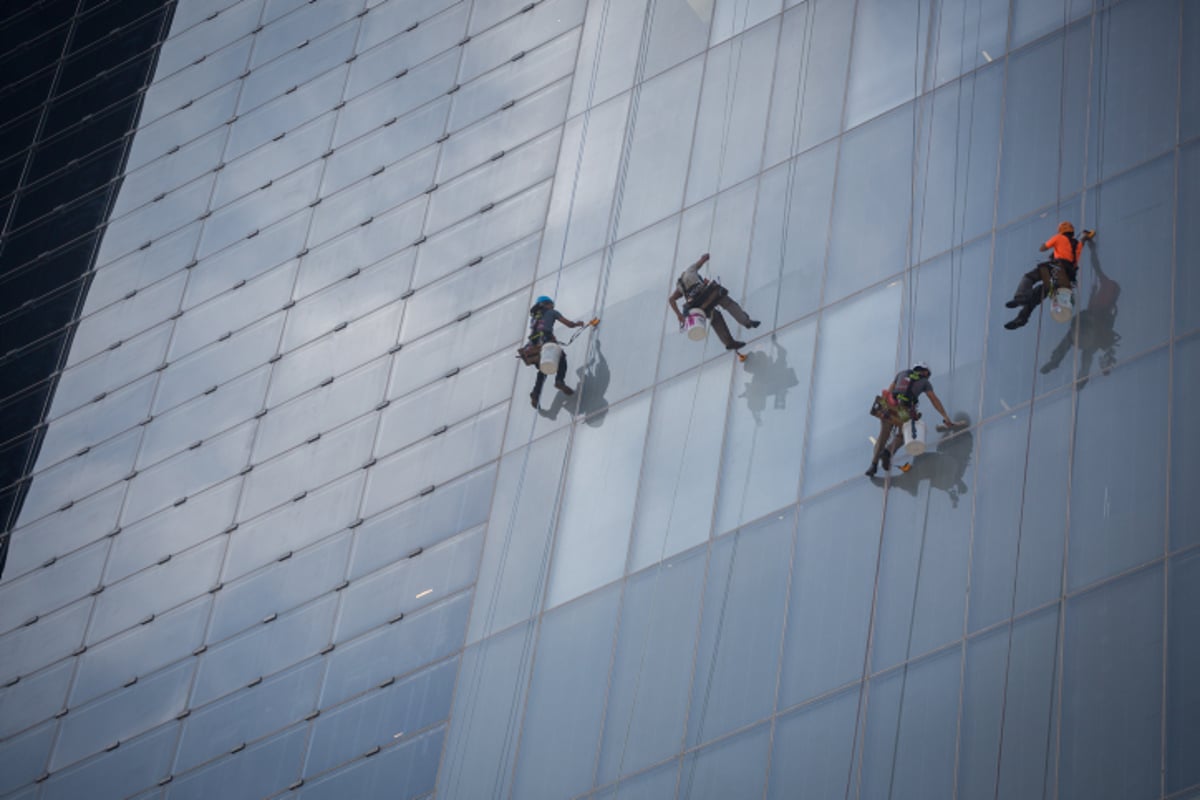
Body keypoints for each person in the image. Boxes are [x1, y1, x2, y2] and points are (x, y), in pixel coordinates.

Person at [865, 361, 956, 478]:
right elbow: (934, 400)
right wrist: (945, 416)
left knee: (883, 436)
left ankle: (873, 465)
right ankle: (887, 452)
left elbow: (889, 391)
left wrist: (883, 407)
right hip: (904, 411)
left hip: (890, 408)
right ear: (925, 371)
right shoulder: (925, 382)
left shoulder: (901, 374)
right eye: (928, 374)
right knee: (904, 435)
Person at [1003, 222, 1096, 330]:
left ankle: (1020, 297)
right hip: (1065, 277)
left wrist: (1048, 245)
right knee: (1036, 295)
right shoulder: (1077, 245)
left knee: (1029, 277)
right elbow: (1082, 243)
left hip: (1055, 269)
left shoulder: (1059, 237)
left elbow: (1042, 248)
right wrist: (1086, 236)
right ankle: (1020, 319)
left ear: (1061, 231)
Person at [668, 252, 760, 350]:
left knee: (715, 317)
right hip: (707, 295)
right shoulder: (690, 270)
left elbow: (671, 299)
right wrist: (705, 257)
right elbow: (702, 260)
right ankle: (747, 322)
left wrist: (679, 315)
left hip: (699, 305)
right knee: (727, 302)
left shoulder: (680, 286)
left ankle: (729, 343)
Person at [524, 296, 585, 409]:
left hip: (533, 347)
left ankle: (535, 393)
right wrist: (578, 324)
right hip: (546, 341)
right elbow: (569, 324)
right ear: (547, 304)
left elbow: (535, 332)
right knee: (562, 359)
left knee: (543, 369)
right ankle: (559, 381)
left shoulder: (535, 318)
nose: (553, 306)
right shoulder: (552, 312)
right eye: (551, 304)